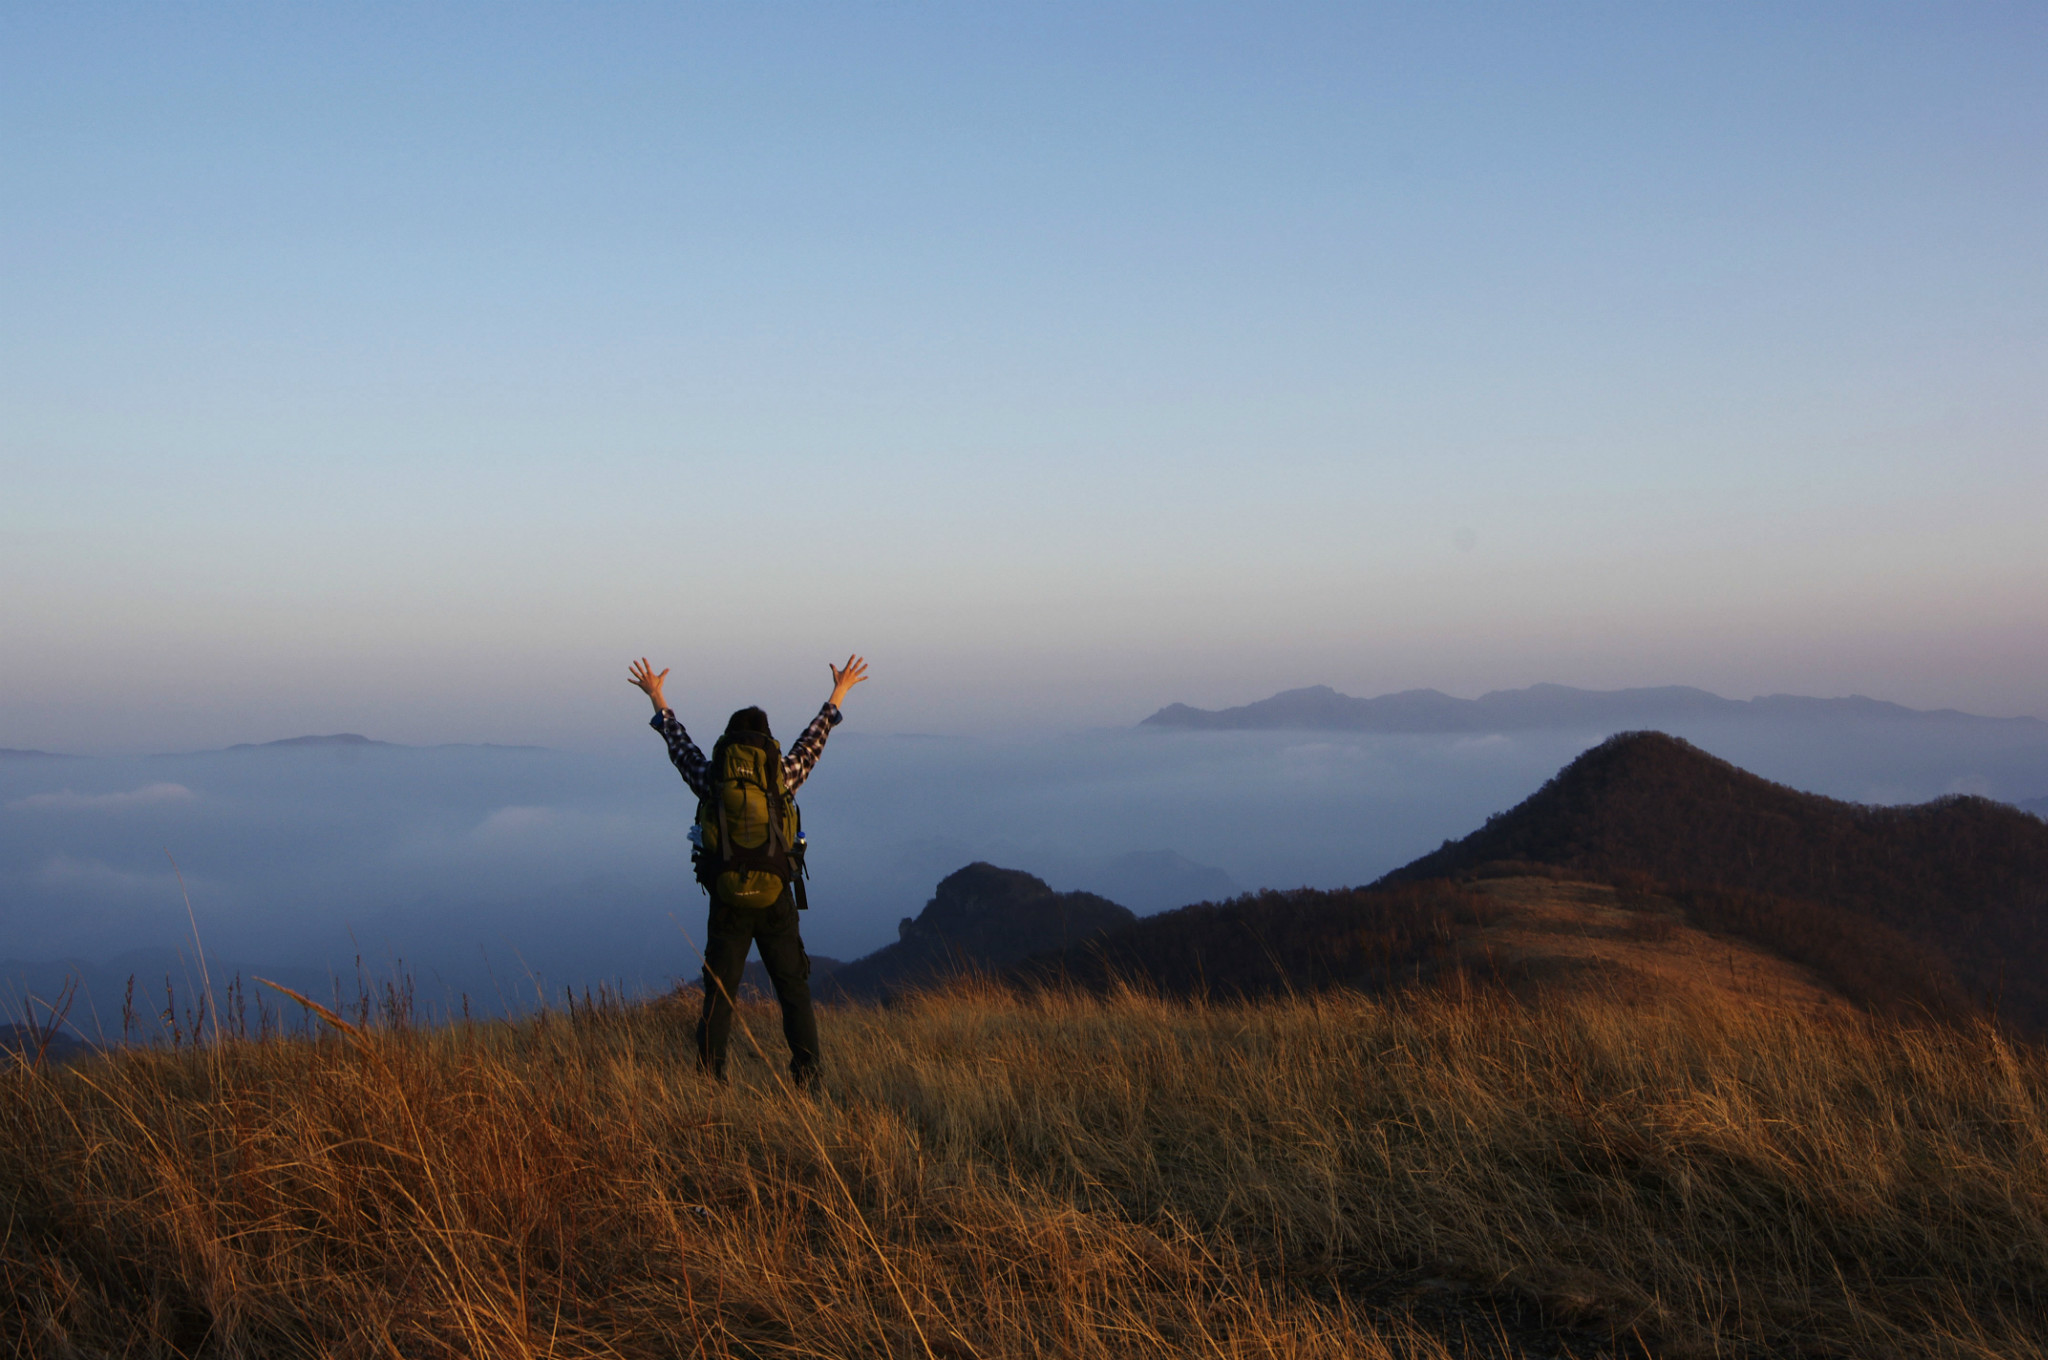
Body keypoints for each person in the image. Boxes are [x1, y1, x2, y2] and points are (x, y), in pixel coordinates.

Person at [628, 654, 868, 1088]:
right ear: (764, 739)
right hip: (776, 897)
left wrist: (657, 696)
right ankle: (808, 1079)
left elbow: (678, 746)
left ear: (730, 740)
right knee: (793, 990)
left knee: (720, 994)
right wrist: (840, 690)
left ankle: (709, 1080)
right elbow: (814, 740)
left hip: (727, 899)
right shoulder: (780, 774)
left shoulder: (713, 777)